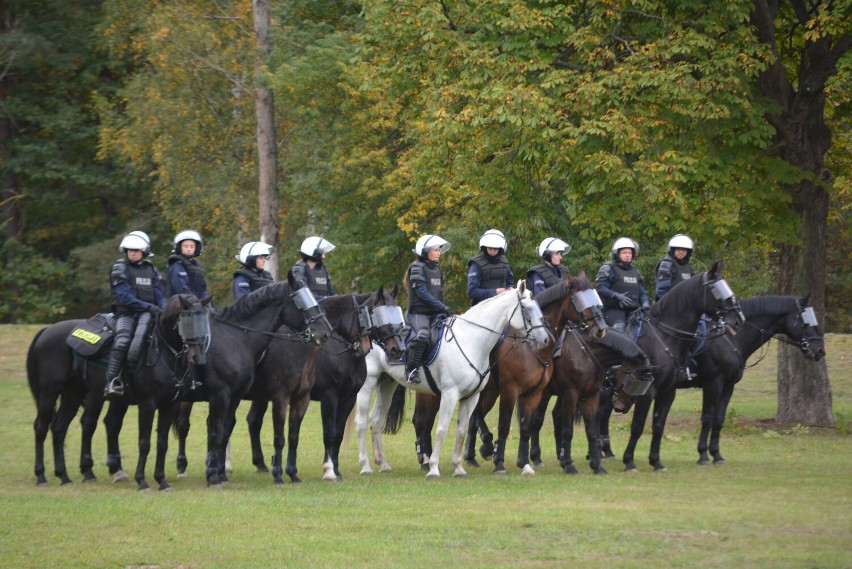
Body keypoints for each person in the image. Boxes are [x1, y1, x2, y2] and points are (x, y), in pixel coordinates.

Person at [104, 230, 168, 398]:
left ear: (144, 252)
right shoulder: (120, 268)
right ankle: (112, 381)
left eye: (136, 250)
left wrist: (164, 309)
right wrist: (149, 307)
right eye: (130, 250)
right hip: (126, 314)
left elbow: (159, 294)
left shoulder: (150, 269)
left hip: (150, 313)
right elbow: (124, 297)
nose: (132, 253)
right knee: (123, 342)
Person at [405, 234, 453, 384]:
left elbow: (438, 293)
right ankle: (411, 370)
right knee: (423, 335)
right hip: (419, 314)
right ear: (426, 251)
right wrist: (443, 307)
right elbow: (422, 293)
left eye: (439, 250)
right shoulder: (417, 268)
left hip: (436, 313)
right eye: (436, 249)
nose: (439, 252)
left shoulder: (437, 269)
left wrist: (443, 310)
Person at [595, 237, 650, 332]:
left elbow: (641, 291)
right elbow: (600, 287)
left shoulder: (635, 271)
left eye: (630, 253)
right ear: (617, 254)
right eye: (624, 253)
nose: (628, 255)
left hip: (634, 311)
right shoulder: (608, 268)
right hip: (612, 310)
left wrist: (645, 302)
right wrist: (616, 295)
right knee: (620, 328)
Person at [467, 229, 514, 306]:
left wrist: (511, 288)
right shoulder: (476, 264)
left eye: (495, 248)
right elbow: (471, 291)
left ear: (500, 249)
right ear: (485, 248)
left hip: (502, 304)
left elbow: (510, 283)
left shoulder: (504, 262)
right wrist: (495, 292)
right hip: (482, 306)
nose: (492, 251)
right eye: (490, 248)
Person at [167, 229, 209, 299]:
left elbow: (203, 289)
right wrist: (195, 301)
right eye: (185, 246)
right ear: (180, 247)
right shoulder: (176, 265)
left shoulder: (198, 267)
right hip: (180, 303)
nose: (189, 249)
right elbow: (181, 288)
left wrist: (207, 302)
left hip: (196, 304)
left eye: (192, 246)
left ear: (196, 248)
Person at [655, 233, 695, 300]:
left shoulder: (688, 266)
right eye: (679, 249)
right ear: (673, 250)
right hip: (670, 303)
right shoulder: (667, 264)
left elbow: (694, 286)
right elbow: (662, 290)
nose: (681, 252)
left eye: (684, 250)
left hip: (686, 303)